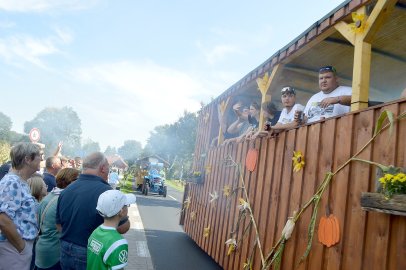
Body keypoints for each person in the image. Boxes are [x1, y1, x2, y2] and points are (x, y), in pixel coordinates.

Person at [56, 152, 130, 270]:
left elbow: (59, 225)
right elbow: (123, 227)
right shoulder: (107, 192)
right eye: (108, 168)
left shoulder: (66, 190)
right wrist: (124, 213)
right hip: (88, 252)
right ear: (103, 168)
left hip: (65, 250)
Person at [0, 142, 43, 270]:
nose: (41, 159)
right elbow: (3, 220)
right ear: (28, 159)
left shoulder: (19, 181)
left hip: (16, 247)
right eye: (39, 156)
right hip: (13, 248)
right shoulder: (12, 182)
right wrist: (22, 247)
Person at [35, 168, 80, 270]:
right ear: (71, 181)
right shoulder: (65, 200)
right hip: (55, 252)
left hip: (42, 248)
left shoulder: (48, 197)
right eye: (78, 180)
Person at [87, 190, 136, 270]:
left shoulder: (95, 232)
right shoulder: (119, 243)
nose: (127, 207)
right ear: (121, 212)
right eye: (126, 205)